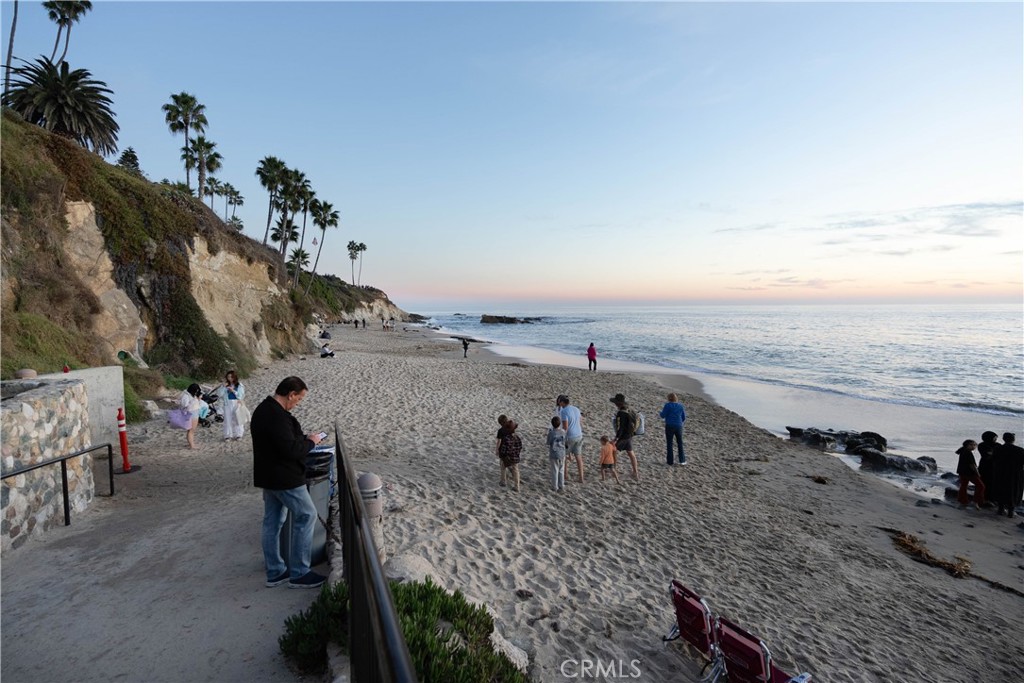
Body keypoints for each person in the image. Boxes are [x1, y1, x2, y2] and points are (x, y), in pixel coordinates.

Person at [251, 376, 327, 589]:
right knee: (307, 515)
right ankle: (300, 572)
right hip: (284, 478)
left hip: (268, 475)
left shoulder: (263, 410)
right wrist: (311, 442)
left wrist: (304, 439)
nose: (297, 403)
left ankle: (275, 571)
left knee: (272, 522)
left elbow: (282, 443)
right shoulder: (276, 416)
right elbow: (291, 450)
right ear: (290, 394)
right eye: (299, 399)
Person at [993, 432, 1024, 519]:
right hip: (1015, 473)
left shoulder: (998, 448)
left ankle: (1000, 509)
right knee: (1013, 490)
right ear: (1013, 440)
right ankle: (1011, 511)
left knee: (1001, 489)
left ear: (1003, 439)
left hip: (1000, 472)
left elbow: (993, 459)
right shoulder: (1020, 450)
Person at [610, 393, 640, 480]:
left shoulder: (621, 413)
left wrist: (616, 439)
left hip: (624, 436)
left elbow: (621, 427)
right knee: (631, 453)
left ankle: (614, 469)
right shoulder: (629, 409)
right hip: (630, 434)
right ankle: (635, 472)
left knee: (613, 450)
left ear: (617, 403)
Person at [557, 395, 585, 483]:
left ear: (562, 402)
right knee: (578, 457)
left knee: (564, 456)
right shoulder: (576, 409)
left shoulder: (564, 411)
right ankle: (581, 478)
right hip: (579, 434)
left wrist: (561, 435)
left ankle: (565, 475)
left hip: (570, 436)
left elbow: (565, 427)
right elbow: (580, 422)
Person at [215, 370, 247, 441]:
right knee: (227, 419)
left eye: (231, 377)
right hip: (227, 403)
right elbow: (219, 394)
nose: (230, 378)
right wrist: (223, 387)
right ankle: (228, 435)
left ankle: (239, 434)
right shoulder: (225, 385)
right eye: (228, 377)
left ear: (234, 377)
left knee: (237, 418)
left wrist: (233, 391)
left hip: (236, 402)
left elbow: (241, 395)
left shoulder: (239, 385)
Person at [955, 439, 985, 509]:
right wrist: (977, 473)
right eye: (971, 445)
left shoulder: (962, 451)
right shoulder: (968, 453)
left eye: (974, 445)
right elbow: (972, 465)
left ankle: (963, 501)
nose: (973, 446)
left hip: (962, 472)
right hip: (969, 473)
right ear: (967, 445)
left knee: (963, 486)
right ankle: (975, 501)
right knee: (981, 486)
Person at [659, 393, 687, 465]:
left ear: (669, 398)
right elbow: (683, 417)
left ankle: (670, 461)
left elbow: (663, 415)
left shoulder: (668, 405)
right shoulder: (680, 406)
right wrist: (679, 422)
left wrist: (660, 413)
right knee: (680, 443)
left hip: (670, 425)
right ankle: (682, 460)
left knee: (669, 443)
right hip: (679, 426)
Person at [497, 419, 523, 492]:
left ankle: (503, 481)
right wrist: (516, 453)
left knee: (503, 467)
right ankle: (517, 486)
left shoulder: (506, 439)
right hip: (515, 457)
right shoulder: (517, 437)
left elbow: (504, 450)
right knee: (516, 470)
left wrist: (501, 455)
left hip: (508, 457)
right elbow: (520, 447)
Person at [977, 431, 999, 506]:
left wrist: (992, 453)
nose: (996, 439)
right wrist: (994, 454)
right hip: (986, 466)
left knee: (993, 483)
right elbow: (986, 455)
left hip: (993, 466)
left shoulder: (996, 445)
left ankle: (991, 498)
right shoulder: (982, 445)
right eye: (995, 437)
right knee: (984, 481)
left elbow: (990, 454)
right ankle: (984, 499)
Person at [179, 383, 203, 450]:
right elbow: (185, 405)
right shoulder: (186, 396)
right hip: (191, 413)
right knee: (191, 430)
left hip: (193, 412)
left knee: (190, 430)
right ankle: (192, 445)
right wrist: (194, 400)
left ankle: (190, 443)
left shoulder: (189, 394)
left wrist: (198, 399)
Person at [547, 416, 567, 492]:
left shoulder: (551, 433)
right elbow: (565, 441)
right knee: (561, 470)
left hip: (554, 453)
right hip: (562, 453)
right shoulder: (563, 432)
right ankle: (561, 485)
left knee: (555, 470)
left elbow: (548, 442)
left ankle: (555, 486)